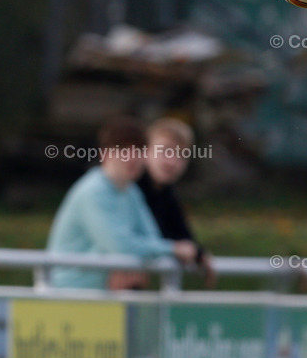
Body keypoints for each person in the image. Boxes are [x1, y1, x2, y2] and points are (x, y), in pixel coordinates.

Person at [45, 116, 198, 289]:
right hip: (66, 296)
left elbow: (150, 237)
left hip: (104, 297)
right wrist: (173, 249)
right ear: (105, 154)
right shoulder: (94, 190)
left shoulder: (131, 191)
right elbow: (120, 245)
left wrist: (135, 261)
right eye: (124, 150)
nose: (133, 158)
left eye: (139, 150)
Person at [138, 117, 216, 288]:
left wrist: (199, 254)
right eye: (165, 150)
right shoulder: (129, 188)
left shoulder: (166, 193)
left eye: (181, 154)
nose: (172, 161)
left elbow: (180, 234)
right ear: (145, 151)